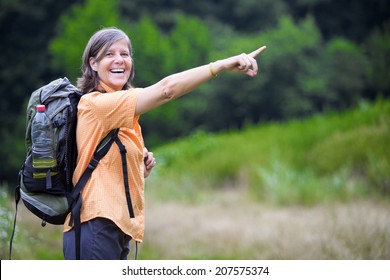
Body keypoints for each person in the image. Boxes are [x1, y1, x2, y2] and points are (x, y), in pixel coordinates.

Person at [63, 27, 266, 260]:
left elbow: (103, 168)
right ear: (93, 64)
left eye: (125, 54)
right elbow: (167, 90)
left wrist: (140, 169)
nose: (119, 60)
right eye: (109, 54)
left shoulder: (122, 116)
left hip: (113, 228)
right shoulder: (97, 105)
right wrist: (219, 65)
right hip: (94, 227)